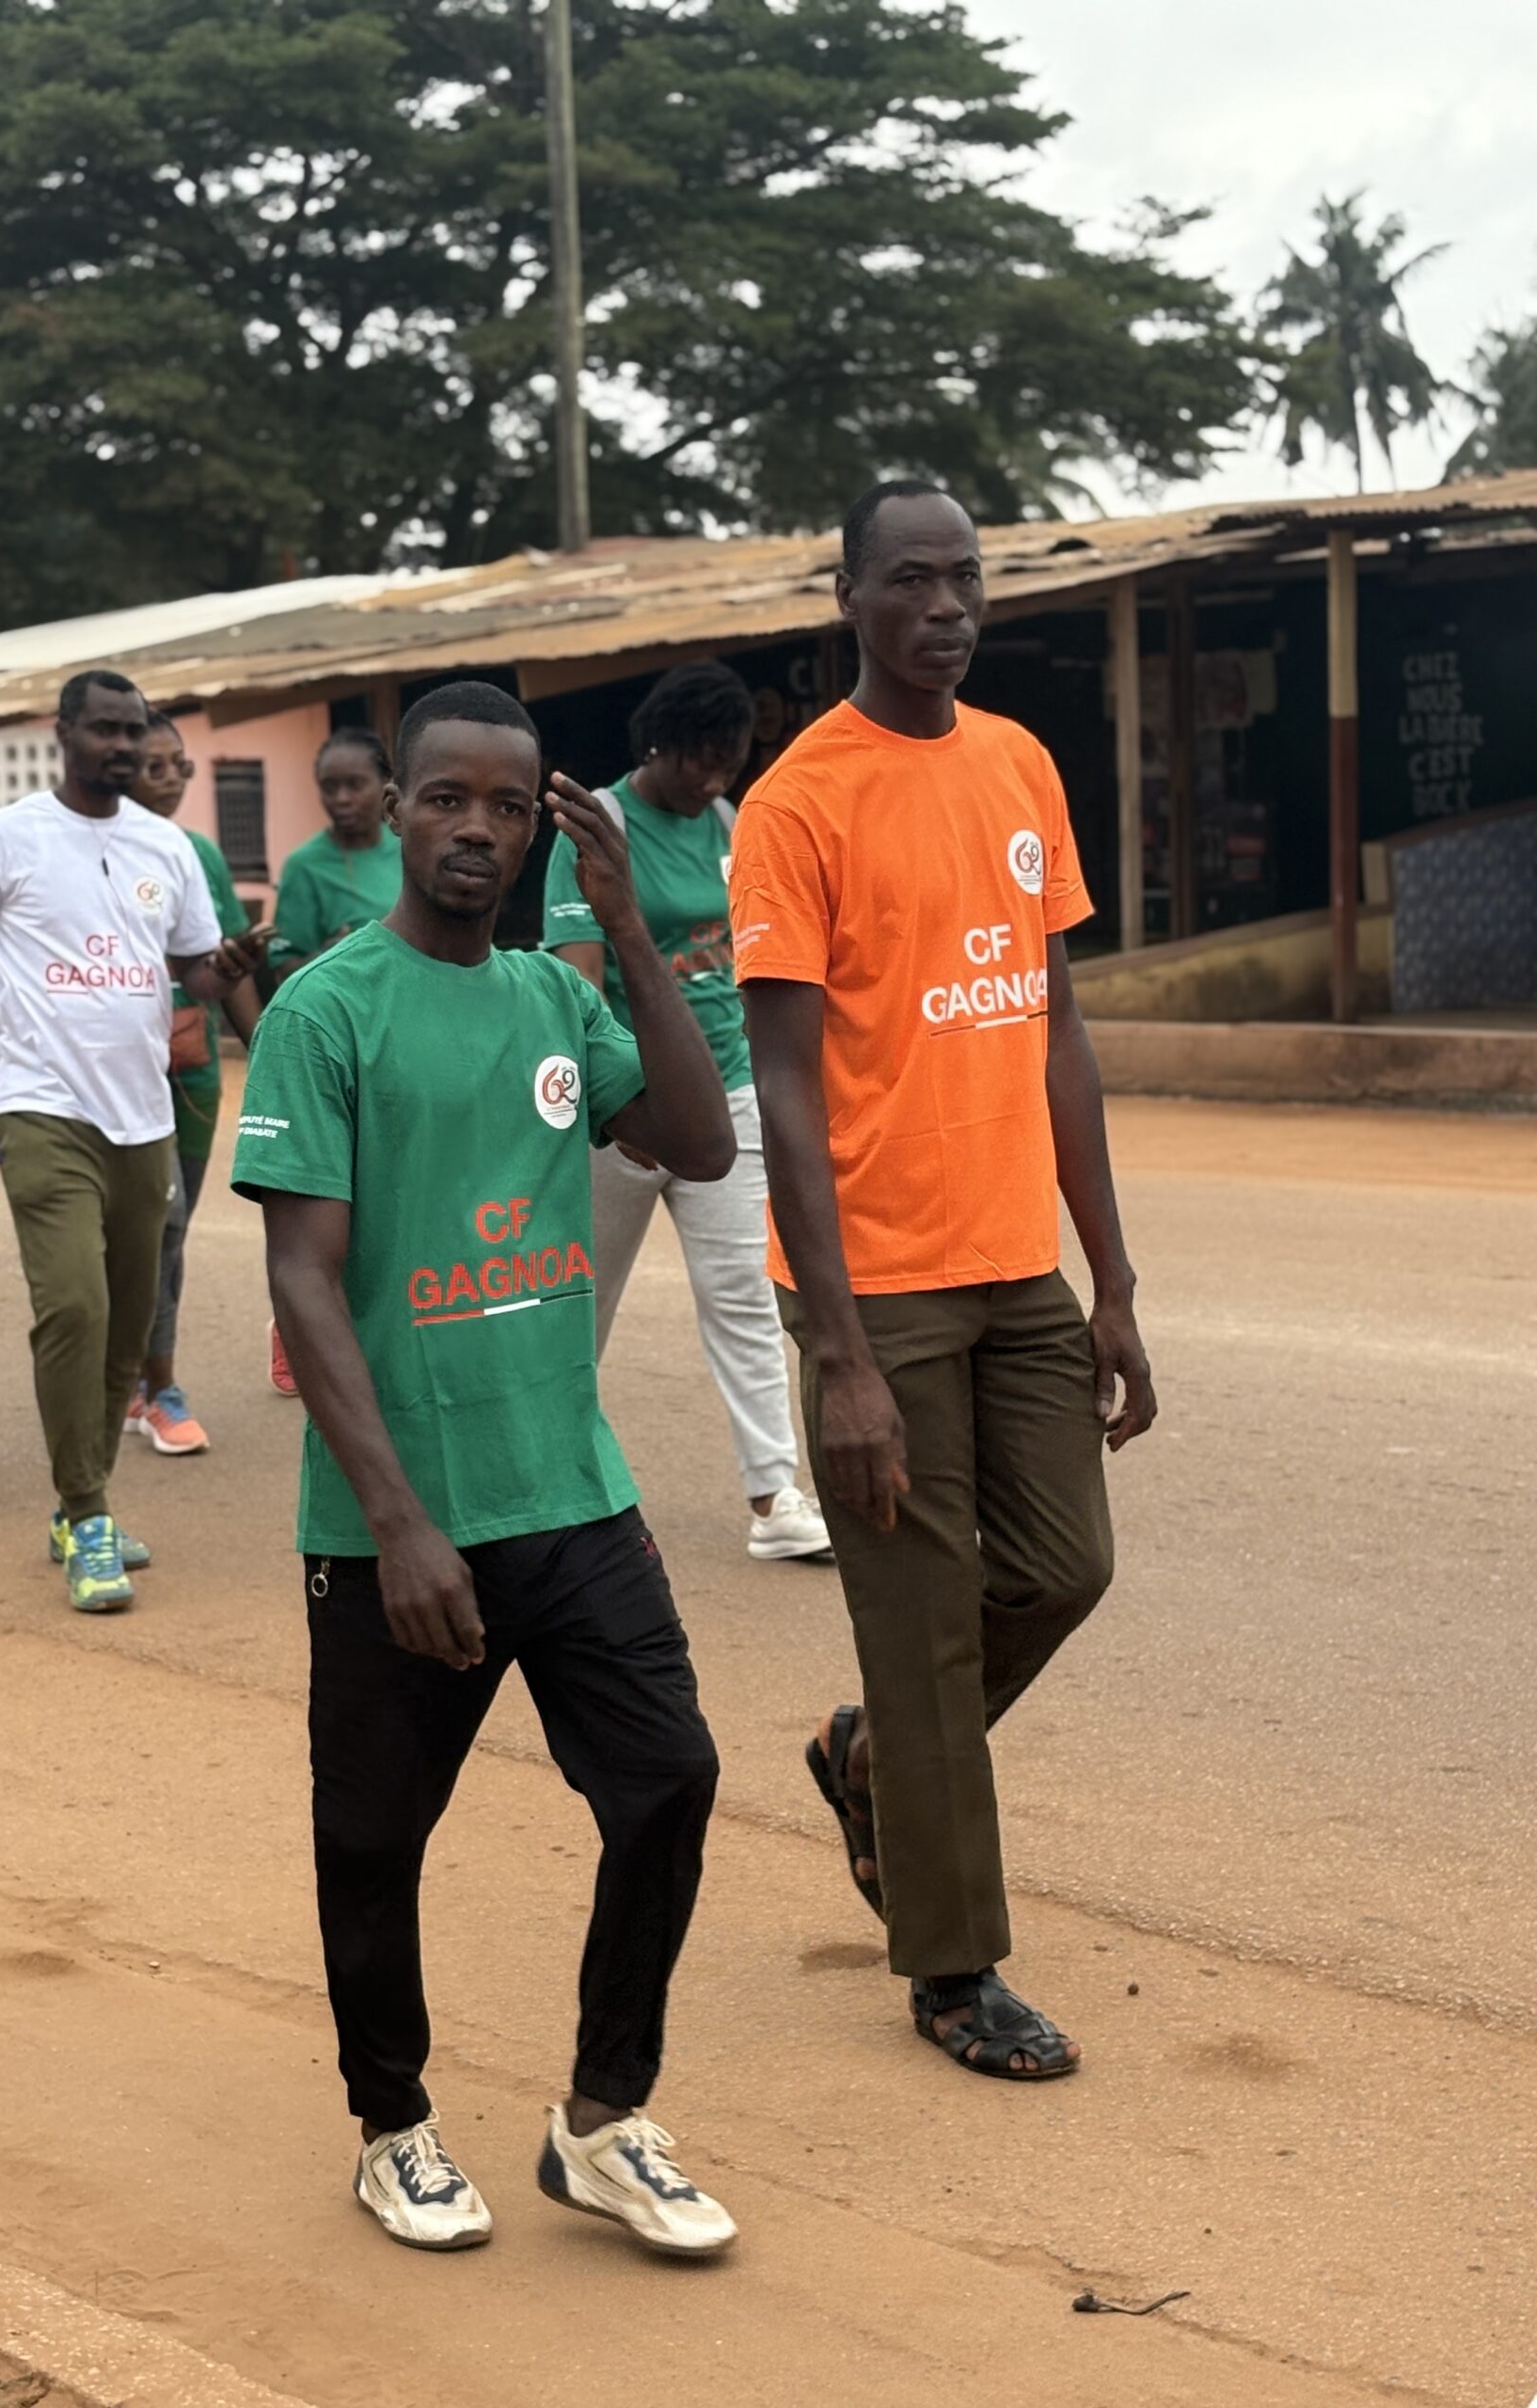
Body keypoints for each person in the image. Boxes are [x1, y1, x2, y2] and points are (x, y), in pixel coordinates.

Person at [232, 679, 737, 2258]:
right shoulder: (326, 1011)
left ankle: (603, 2121)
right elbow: (305, 1282)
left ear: (537, 832)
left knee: (670, 1780)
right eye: (447, 797)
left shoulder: (551, 1000)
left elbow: (702, 1143)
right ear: (401, 809)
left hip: (571, 1493)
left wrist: (628, 931)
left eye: (507, 808)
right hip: (397, 1524)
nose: (475, 827)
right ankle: (393, 2127)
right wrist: (398, 1524)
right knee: (375, 1840)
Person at [731, 481, 1158, 2082]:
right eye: (910, 580)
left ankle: (873, 1756)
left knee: (1064, 1565)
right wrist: (838, 1353)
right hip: (878, 1287)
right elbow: (783, 1087)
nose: (945, 606)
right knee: (921, 1629)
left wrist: (1112, 1281)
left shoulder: (1020, 764)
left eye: (965, 579)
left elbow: (1057, 1030)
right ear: (847, 596)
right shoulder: (798, 805)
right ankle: (954, 1969)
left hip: (1013, 1260)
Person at [0, 671, 274, 1613]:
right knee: (75, 1308)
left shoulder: (167, 848)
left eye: (134, 731)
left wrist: (227, 967)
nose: (122, 746)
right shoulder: (1, 840)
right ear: (63, 732)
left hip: (144, 1115)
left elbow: (194, 978)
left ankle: (75, 1500)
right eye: (105, 729)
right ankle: (88, 1514)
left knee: (128, 1320)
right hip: (39, 1107)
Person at [545, 661, 831, 1565]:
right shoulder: (601, 823)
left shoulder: (732, 824)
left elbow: (751, 953)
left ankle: (775, 1497)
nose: (714, 776)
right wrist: (608, 1103)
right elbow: (576, 983)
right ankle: (541, 1479)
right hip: (625, 1107)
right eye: (701, 757)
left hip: (728, 1094)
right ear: (658, 743)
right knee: (578, 1304)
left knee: (744, 1293)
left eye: (730, 761)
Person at [121, 714, 261, 1455]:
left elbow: (223, 965)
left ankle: (139, 1381)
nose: (172, 778)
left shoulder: (197, 853)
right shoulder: (91, 853)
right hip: (116, 1075)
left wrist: (267, 1049)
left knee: (168, 1235)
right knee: (156, 1226)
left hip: (193, 1072)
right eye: (155, 766)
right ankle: (156, 1386)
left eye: (181, 764)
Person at [264, 727, 403, 1399]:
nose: (341, 799)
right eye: (329, 787)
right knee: (328, 1204)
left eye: (354, 785)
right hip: (336, 1047)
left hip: (406, 1043)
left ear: (387, 787)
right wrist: (339, 957)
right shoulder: (306, 866)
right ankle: (296, 1325)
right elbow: (283, 963)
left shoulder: (410, 848)